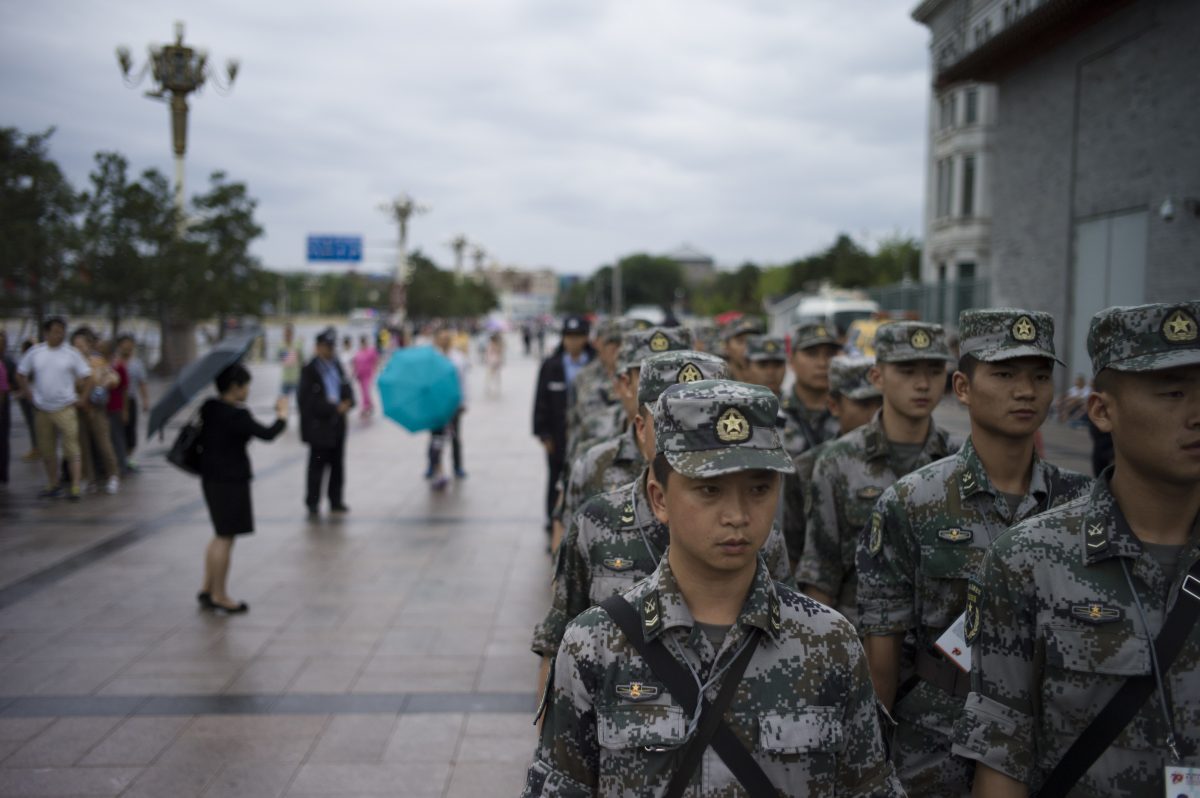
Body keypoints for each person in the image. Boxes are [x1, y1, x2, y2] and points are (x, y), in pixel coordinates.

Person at [523, 379, 903, 796]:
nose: (737, 515)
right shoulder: (594, 645)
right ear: (660, 498)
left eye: (759, 489)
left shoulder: (829, 643)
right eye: (710, 489)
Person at [954, 301, 1200, 797]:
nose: (1195, 414)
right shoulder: (1030, 559)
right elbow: (1003, 755)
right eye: (1172, 393)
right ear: (1102, 411)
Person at [857, 309, 1092, 797]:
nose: (1025, 391)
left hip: (1060, 743)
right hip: (937, 747)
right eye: (1004, 375)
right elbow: (882, 655)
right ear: (962, 387)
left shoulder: (1084, 505)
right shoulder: (913, 502)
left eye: (1040, 376)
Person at [798, 321, 959, 623]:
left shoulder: (961, 459)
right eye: (907, 371)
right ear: (877, 377)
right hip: (860, 636)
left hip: (941, 647)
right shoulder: (838, 461)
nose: (923, 384)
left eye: (935, 371)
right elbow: (820, 574)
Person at [197, 363, 288, 614]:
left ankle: (207, 588)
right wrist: (282, 414)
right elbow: (268, 434)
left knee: (219, 534)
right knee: (226, 537)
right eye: (246, 385)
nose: (248, 390)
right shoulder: (236, 415)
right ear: (235, 387)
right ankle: (220, 595)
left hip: (211, 478)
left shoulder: (210, 408)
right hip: (231, 481)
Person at [781, 354, 883, 570]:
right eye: (863, 403)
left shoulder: (923, 463)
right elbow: (792, 557)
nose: (875, 414)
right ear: (834, 406)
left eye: (882, 402)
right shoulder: (808, 468)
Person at [15, 318, 92, 500]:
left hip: (65, 407)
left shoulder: (71, 353)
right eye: (56, 330)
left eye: (62, 331)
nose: (60, 334)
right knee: (47, 448)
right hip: (42, 408)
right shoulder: (36, 352)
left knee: (72, 447)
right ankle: (53, 483)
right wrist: (29, 394)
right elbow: (20, 374)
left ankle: (75, 486)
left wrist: (82, 399)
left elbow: (88, 376)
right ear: (46, 332)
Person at [533, 315, 595, 540]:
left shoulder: (594, 364)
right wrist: (543, 433)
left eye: (578, 336)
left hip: (590, 437)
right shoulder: (551, 366)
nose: (573, 342)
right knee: (555, 478)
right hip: (558, 437)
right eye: (569, 337)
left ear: (586, 338)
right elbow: (540, 400)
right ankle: (552, 520)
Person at [298, 327, 355, 517]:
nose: (330, 350)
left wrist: (348, 402)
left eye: (332, 346)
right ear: (318, 347)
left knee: (337, 465)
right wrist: (333, 408)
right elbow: (307, 401)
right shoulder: (310, 369)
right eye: (326, 346)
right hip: (319, 426)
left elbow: (347, 387)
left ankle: (336, 500)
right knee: (317, 466)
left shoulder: (337, 365)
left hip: (337, 424)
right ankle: (313, 502)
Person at [780, 322, 843, 460]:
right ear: (791, 360)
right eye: (812, 354)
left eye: (830, 354)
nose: (822, 363)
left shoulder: (850, 410)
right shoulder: (775, 413)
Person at [72, 328, 120, 495]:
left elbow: (113, 377)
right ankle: (88, 478)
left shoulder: (97, 361)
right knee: (82, 445)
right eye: (75, 345)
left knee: (103, 443)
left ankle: (113, 475)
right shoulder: (70, 363)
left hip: (96, 409)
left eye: (81, 344)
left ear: (88, 345)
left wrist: (104, 383)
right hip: (77, 408)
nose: (79, 348)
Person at [427, 328, 467, 488]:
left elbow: (463, 382)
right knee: (435, 437)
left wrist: (464, 402)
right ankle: (433, 466)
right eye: (441, 339)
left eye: (446, 339)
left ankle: (457, 466)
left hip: (453, 404)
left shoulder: (458, 358)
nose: (443, 341)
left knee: (455, 436)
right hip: (435, 404)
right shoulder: (433, 358)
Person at [114, 335, 149, 471]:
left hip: (131, 400)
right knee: (117, 431)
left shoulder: (137, 364)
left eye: (130, 344)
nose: (127, 347)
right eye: (124, 344)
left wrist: (145, 400)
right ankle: (119, 458)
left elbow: (142, 383)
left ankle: (127, 458)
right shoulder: (114, 362)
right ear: (119, 346)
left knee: (130, 430)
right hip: (116, 401)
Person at [719, 317, 763, 381]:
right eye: (740, 341)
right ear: (727, 346)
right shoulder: (718, 381)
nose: (747, 347)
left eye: (754, 341)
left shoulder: (770, 381)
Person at [0, 330, 15, 484]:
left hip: (3, 408)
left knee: (3, 441)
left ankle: (3, 474)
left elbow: (8, 387)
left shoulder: (7, 362)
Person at [352, 334, 379, 418]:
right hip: (360, 375)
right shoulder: (358, 352)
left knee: (366, 390)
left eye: (364, 342)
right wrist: (354, 372)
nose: (363, 344)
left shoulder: (371, 351)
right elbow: (355, 363)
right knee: (362, 391)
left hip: (368, 374)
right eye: (362, 342)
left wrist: (375, 369)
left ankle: (366, 407)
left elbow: (376, 360)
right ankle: (369, 405)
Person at [277, 322, 304, 403]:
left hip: (296, 378)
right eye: (285, 332)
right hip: (286, 378)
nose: (286, 334)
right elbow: (282, 359)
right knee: (282, 401)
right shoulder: (281, 345)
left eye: (288, 332)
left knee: (300, 401)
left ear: (292, 333)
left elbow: (302, 360)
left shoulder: (297, 344)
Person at [484, 331, 504, 398]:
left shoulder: (491, 345)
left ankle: (490, 387)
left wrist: (486, 360)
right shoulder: (498, 345)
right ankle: (494, 388)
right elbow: (500, 353)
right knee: (496, 375)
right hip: (496, 361)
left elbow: (487, 354)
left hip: (492, 361)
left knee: (490, 375)